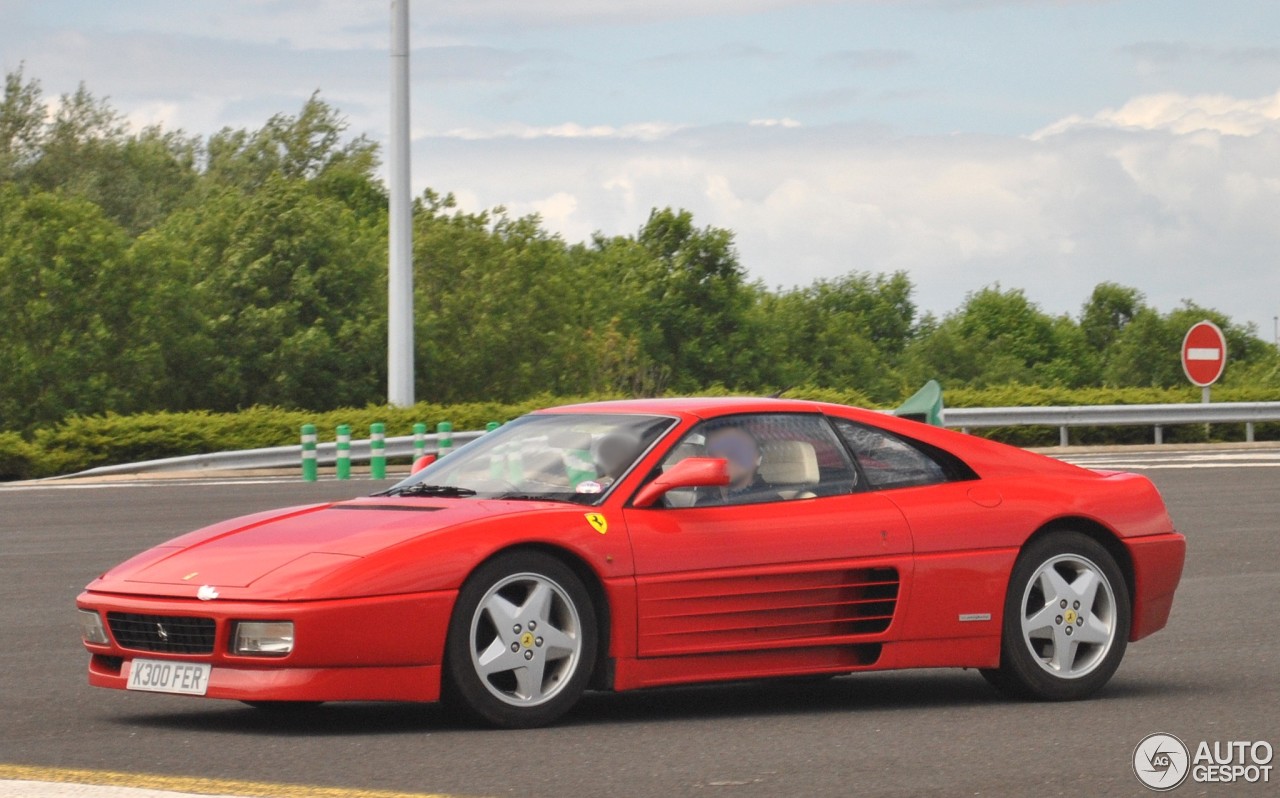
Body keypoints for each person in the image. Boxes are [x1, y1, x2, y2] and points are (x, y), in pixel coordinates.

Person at [697, 425, 780, 505]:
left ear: (756, 457)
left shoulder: (771, 502)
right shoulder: (703, 504)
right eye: (715, 450)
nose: (723, 457)